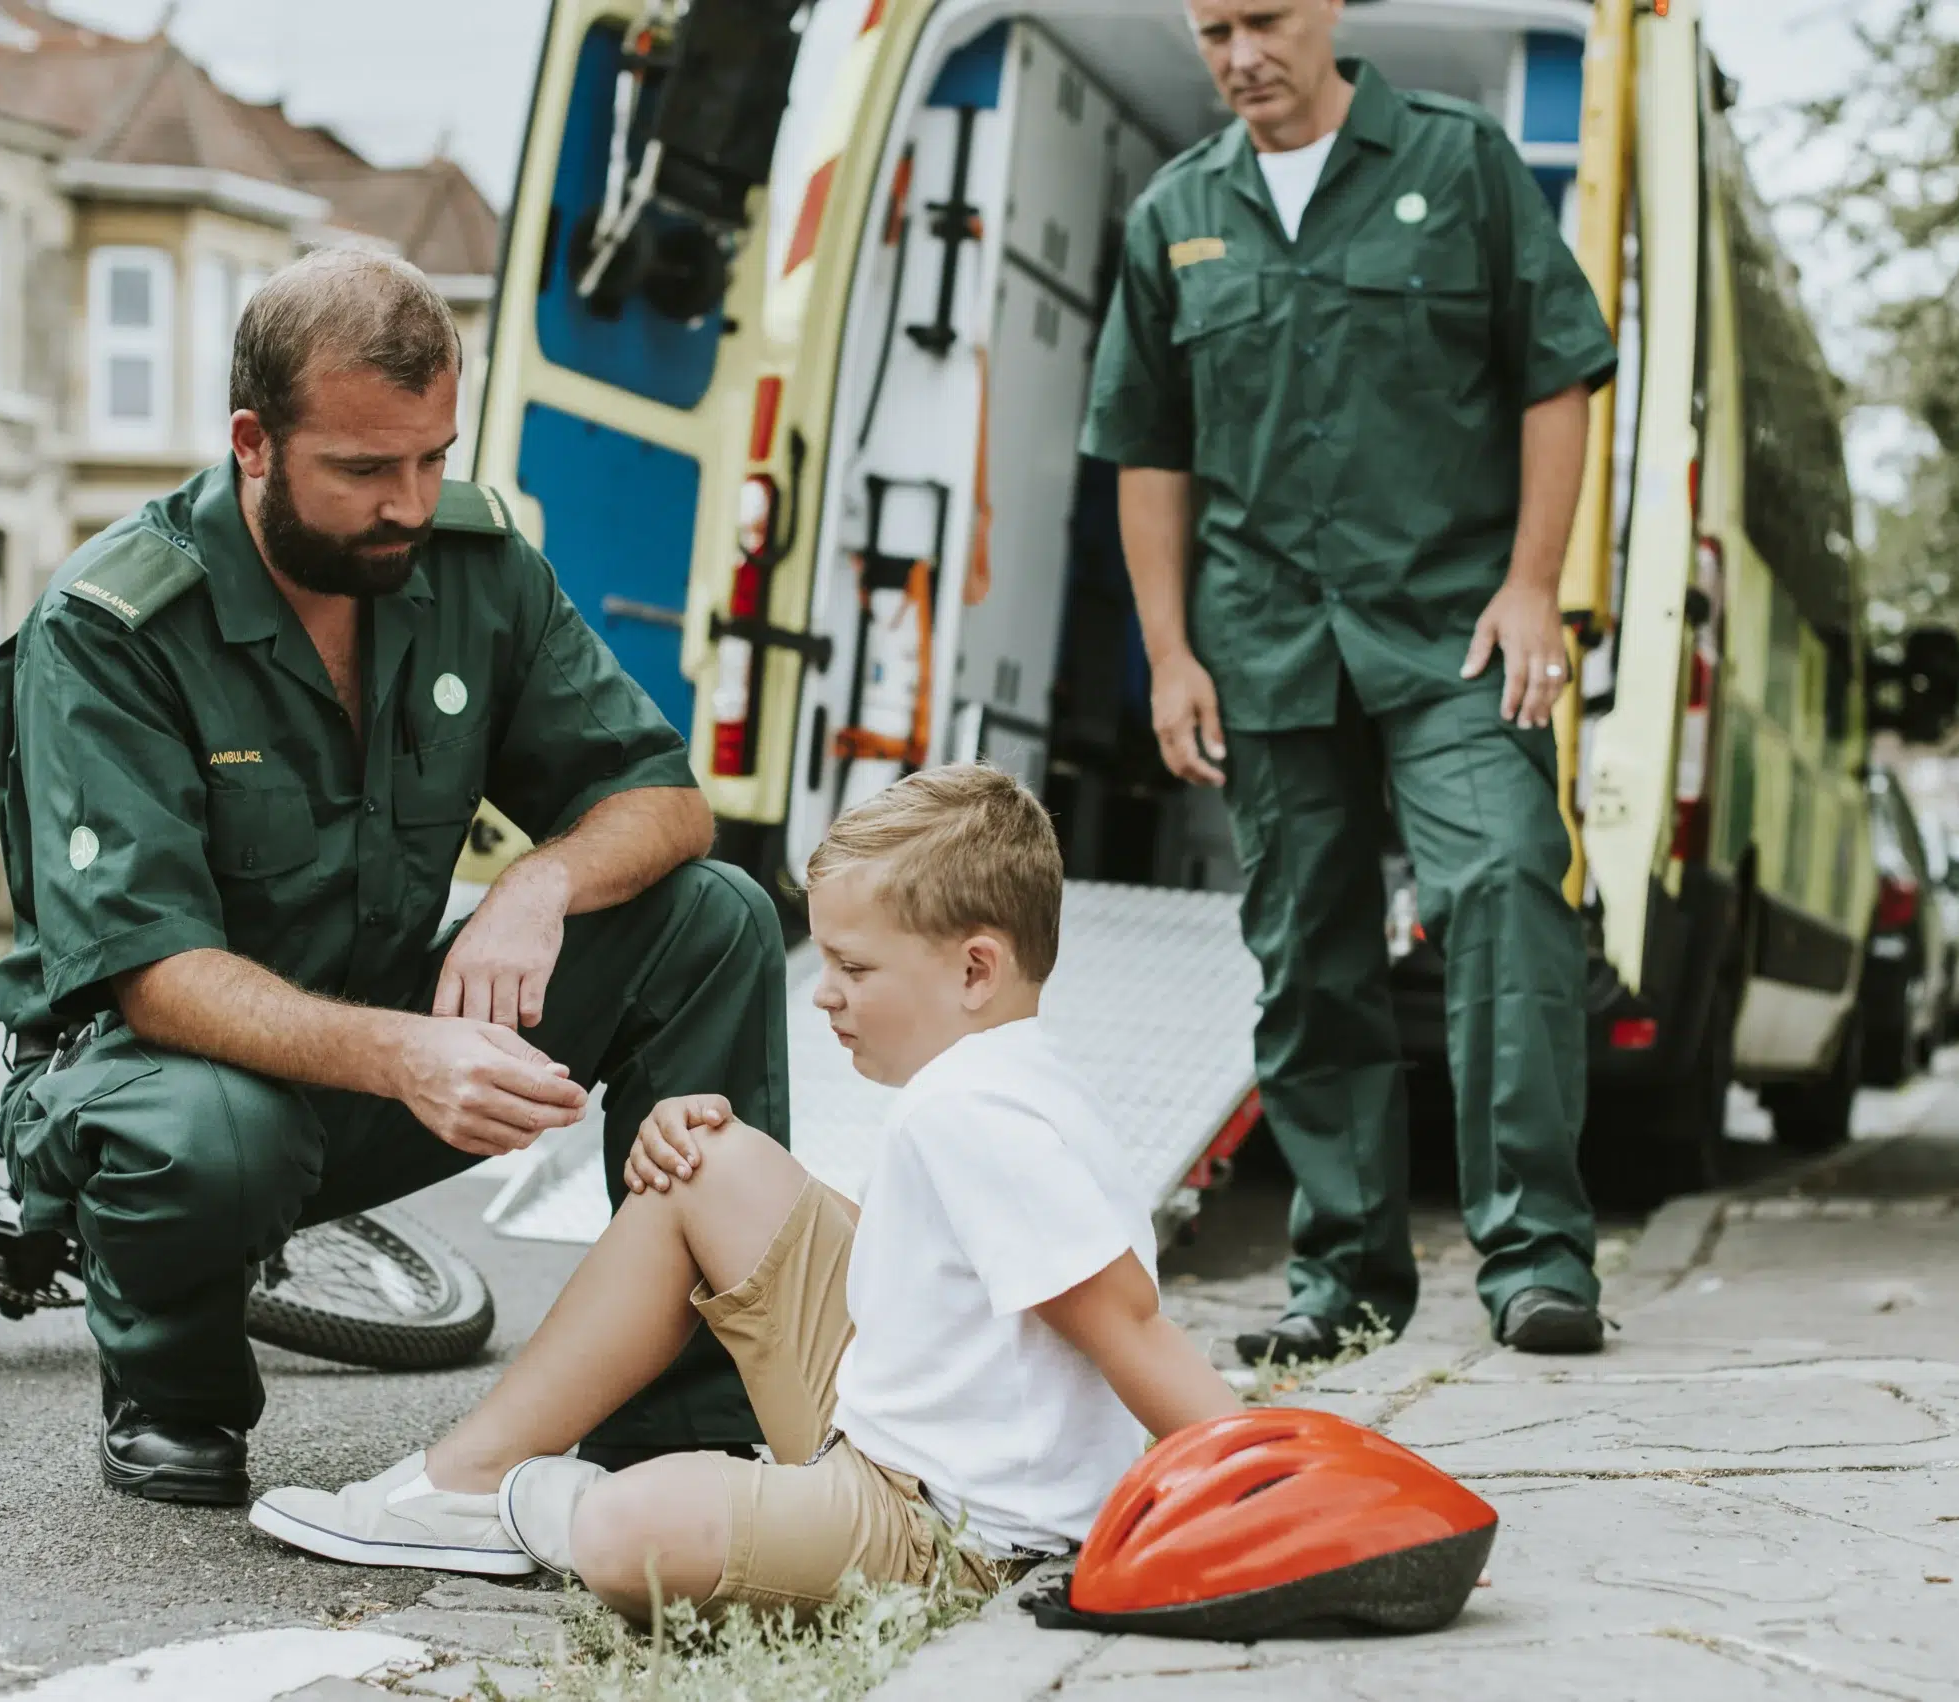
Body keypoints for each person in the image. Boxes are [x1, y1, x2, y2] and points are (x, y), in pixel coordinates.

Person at [0, 248, 789, 1505]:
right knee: (209, 1134)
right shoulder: (111, 625)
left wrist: (537, 886)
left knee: (717, 919)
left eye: (434, 456)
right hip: (158, 1083)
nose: (409, 503)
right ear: (254, 442)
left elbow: (665, 799)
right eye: (364, 468)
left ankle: (685, 1425)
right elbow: (151, 975)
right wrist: (412, 1055)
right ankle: (176, 1391)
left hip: (376, 1047)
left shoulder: (470, 566)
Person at [247, 766, 1245, 1620]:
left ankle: (528, 1504)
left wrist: (1259, 1488)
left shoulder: (973, 1113)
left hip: (947, 1529)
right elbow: (945, 1278)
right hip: (898, 1444)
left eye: (853, 967)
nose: (823, 990)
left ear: (974, 967)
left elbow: (1128, 1327)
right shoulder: (1013, 1072)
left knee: (623, 1528)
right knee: (710, 1160)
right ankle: (464, 1486)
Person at [1081, 0, 1620, 1360]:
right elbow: (1151, 451)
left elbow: (1559, 373)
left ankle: (1537, 1257)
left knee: (1503, 881)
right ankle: (1349, 1278)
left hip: (1455, 632)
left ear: (1325, 10)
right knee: (1308, 958)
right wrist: (1169, 653)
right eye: (1212, 31)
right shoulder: (1177, 215)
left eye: (1263, 19)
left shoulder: (1460, 162)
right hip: (1268, 641)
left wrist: (1534, 582)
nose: (1240, 52)